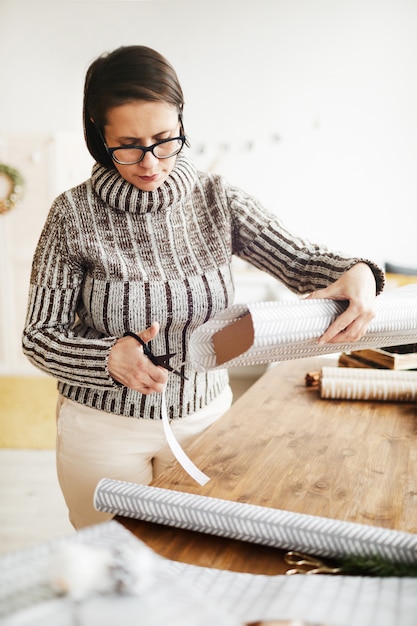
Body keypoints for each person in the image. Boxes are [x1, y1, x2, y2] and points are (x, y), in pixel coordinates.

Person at [22, 45, 385, 529]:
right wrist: (107, 358)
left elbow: (300, 261)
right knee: (111, 571)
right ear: (97, 134)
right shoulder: (71, 216)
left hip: (206, 419)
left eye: (164, 139)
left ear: (181, 124)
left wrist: (359, 271)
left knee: (196, 562)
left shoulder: (217, 199)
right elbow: (39, 336)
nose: (150, 162)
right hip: (102, 429)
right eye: (128, 144)